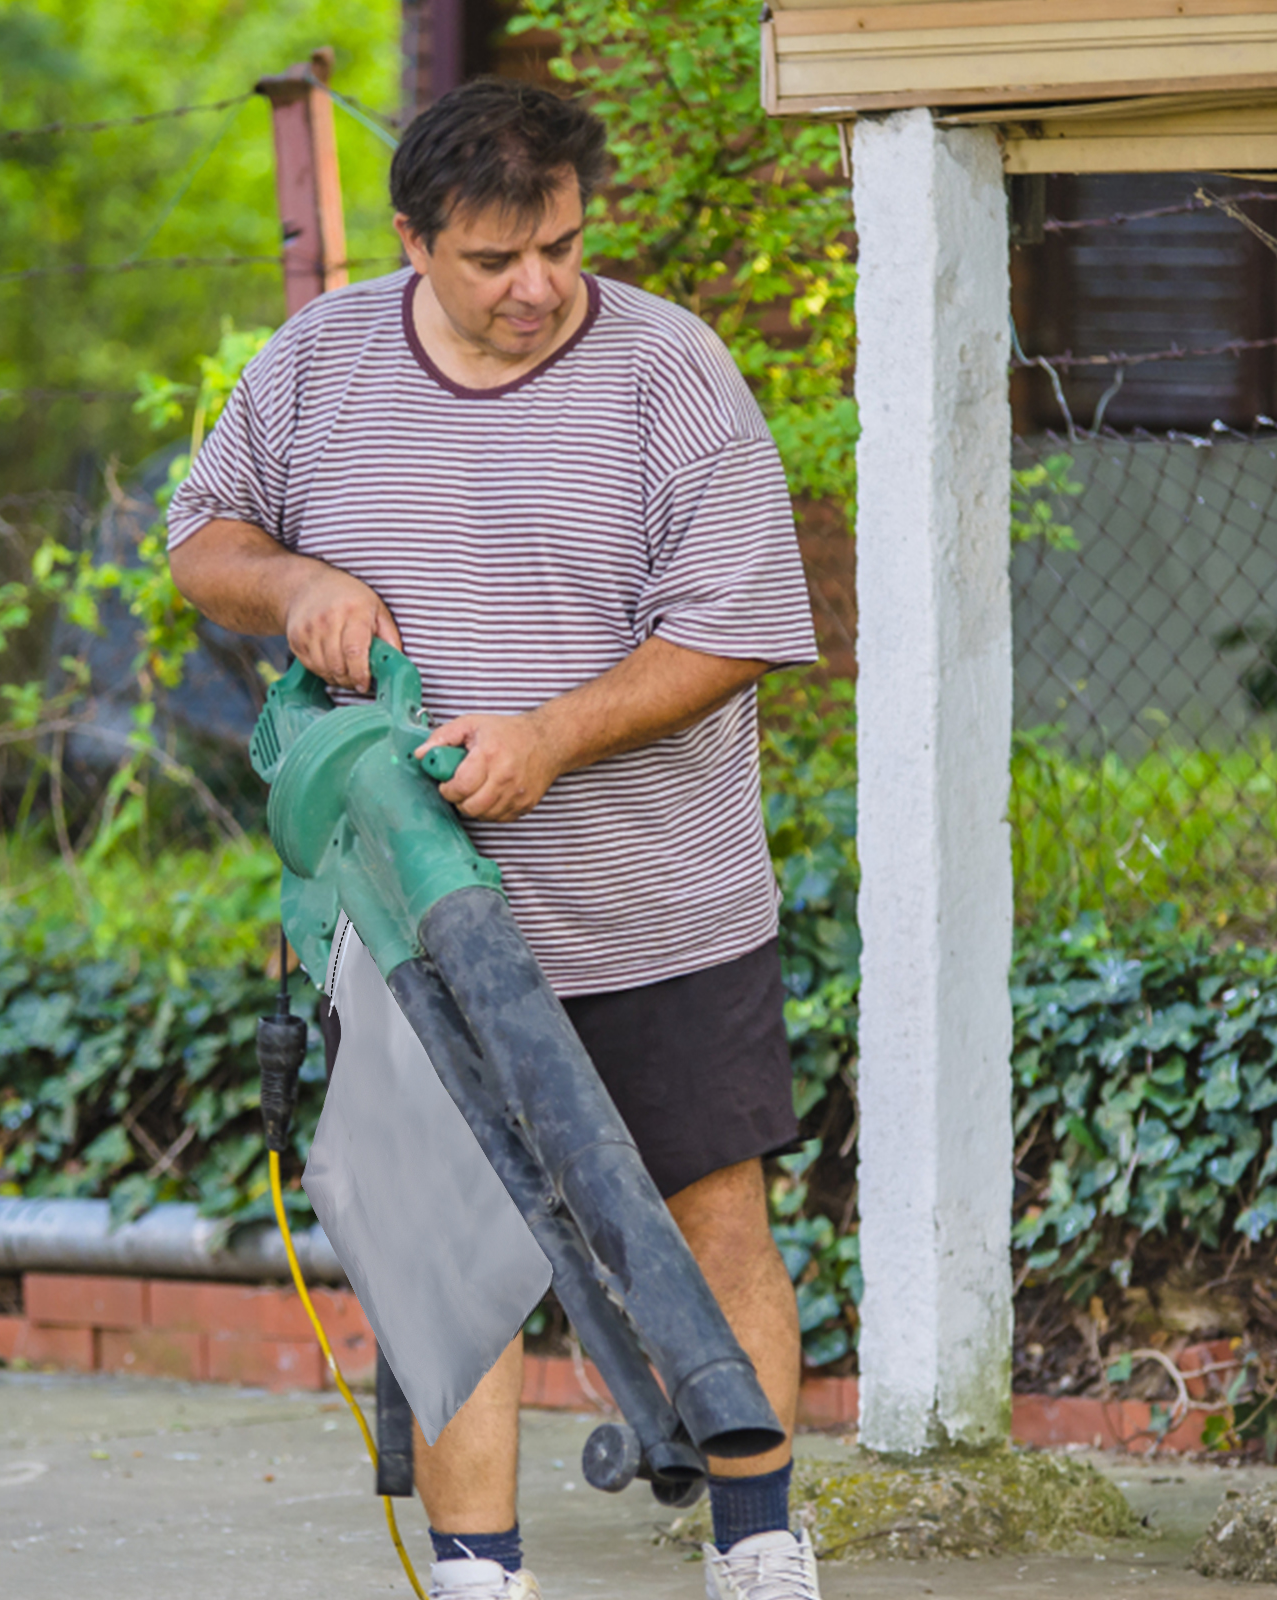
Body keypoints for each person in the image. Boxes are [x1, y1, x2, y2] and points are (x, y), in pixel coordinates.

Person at [167, 77, 822, 1600]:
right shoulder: (318, 361)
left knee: (713, 1220)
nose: (538, 286)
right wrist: (297, 585)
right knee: (449, 1245)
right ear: (413, 240)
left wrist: (550, 737)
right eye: (494, 259)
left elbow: (734, 631)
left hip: (653, 904)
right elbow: (204, 540)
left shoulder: (670, 370)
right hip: (405, 919)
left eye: (563, 248)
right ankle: (479, 1572)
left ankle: (760, 1546)